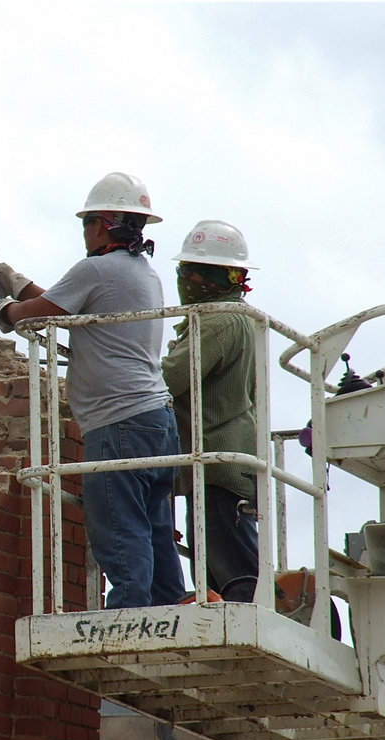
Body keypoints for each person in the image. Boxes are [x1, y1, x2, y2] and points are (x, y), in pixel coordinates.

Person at [0, 172, 185, 609]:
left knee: (121, 535)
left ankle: (127, 626)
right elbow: (65, 303)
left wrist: (6, 309)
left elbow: (34, 315)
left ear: (103, 225)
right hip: (156, 421)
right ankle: (170, 614)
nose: (85, 232)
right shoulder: (139, 273)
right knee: (154, 531)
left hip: (118, 424)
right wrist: (16, 282)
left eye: (87, 223)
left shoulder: (97, 268)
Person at [160, 220, 260, 603]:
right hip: (223, 464)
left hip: (217, 465)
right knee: (216, 577)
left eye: (189, 272)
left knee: (234, 576)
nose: (183, 280)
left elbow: (168, 379)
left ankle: (248, 620)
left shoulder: (218, 321)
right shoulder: (242, 318)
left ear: (212, 278)